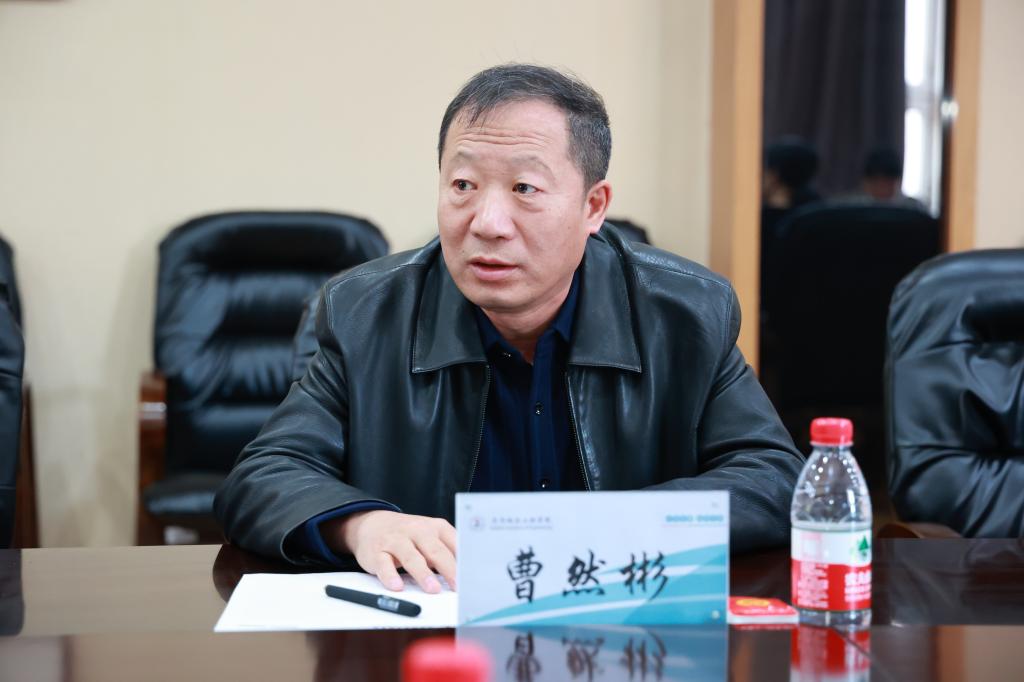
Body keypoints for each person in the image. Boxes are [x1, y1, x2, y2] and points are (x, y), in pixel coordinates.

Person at [214, 64, 803, 595]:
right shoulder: (363, 313)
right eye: (463, 186)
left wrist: (608, 527)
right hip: (429, 639)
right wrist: (363, 525)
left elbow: (774, 480)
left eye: (525, 189)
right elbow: (263, 476)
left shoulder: (685, 313)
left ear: (593, 207)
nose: (487, 223)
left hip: (613, 627)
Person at [860, 147, 927, 210]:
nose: (881, 189)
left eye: (887, 183)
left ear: (898, 181)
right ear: (866, 183)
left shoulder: (914, 208)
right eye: (876, 182)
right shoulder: (858, 210)